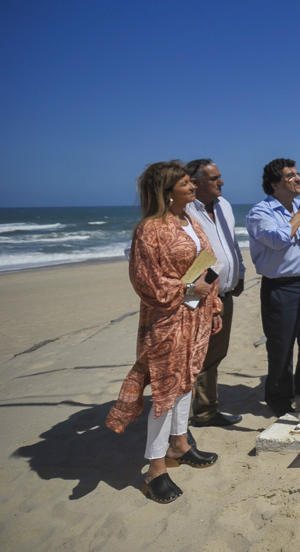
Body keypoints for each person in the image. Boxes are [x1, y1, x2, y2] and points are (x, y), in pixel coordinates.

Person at [105, 161, 222, 504]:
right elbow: (146, 283)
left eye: (190, 182)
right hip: (167, 320)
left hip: (196, 316)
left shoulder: (190, 221)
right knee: (165, 390)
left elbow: (206, 265)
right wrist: (189, 290)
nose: (192, 186)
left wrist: (213, 305)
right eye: (185, 183)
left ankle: (179, 445)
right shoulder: (150, 229)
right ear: (167, 192)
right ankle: (155, 469)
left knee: (186, 381)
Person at [247, 158, 300, 417]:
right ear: (275, 185)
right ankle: (279, 397)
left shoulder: (299, 207)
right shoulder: (260, 212)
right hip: (281, 286)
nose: (298, 179)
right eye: (290, 176)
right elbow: (277, 240)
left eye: (298, 174)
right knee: (281, 346)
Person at [184, 159, 245, 428]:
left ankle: (206, 411)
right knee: (192, 356)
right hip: (196, 297)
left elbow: (232, 243)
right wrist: (189, 289)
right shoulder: (184, 210)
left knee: (214, 355)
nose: (221, 182)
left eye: (219, 176)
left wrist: (239, 273)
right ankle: (184, 420)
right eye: (213, 178)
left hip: (224, 296)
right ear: (195, 183)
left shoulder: (225, 206)